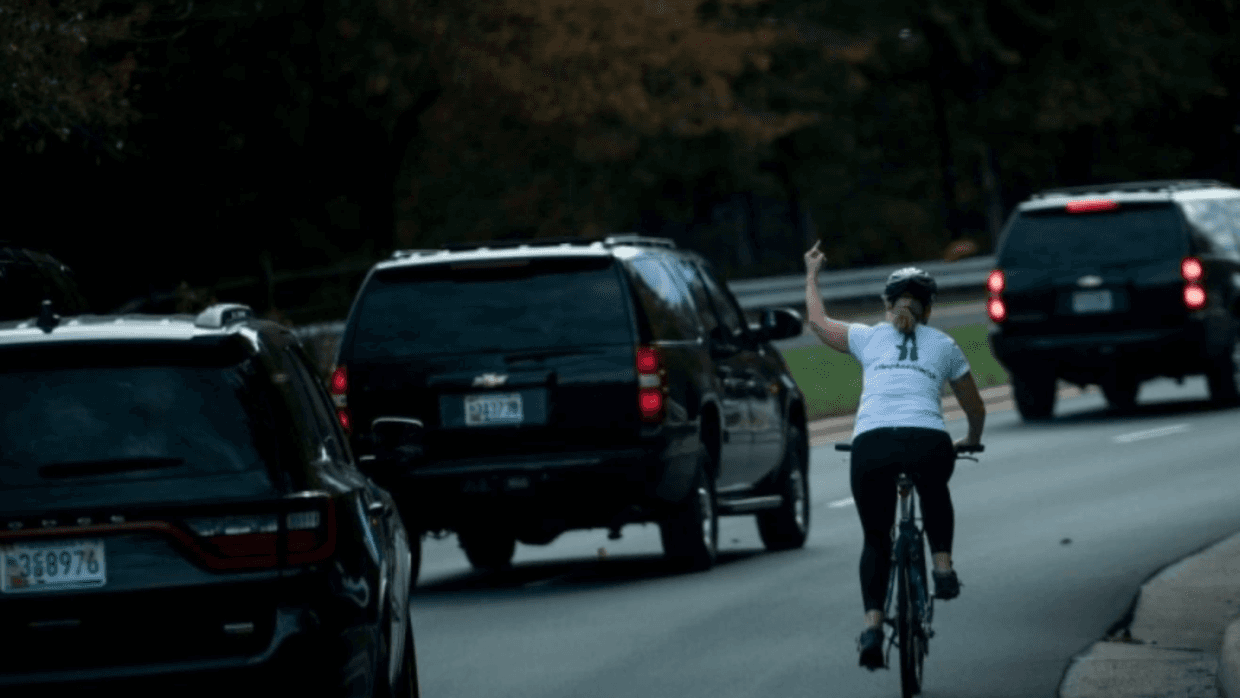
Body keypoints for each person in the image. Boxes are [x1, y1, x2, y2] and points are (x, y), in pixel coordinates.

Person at [802, 241, 986, 671]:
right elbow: (974, 407)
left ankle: (871, 626)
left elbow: (816, 322)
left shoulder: (866, 337)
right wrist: (971, 438)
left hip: (872, 445)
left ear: (887, 304)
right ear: (930, 308)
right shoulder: (944, 344)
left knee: (875, 538)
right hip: (928, 441)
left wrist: (812, 274)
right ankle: (942, 567)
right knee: (935, 486)